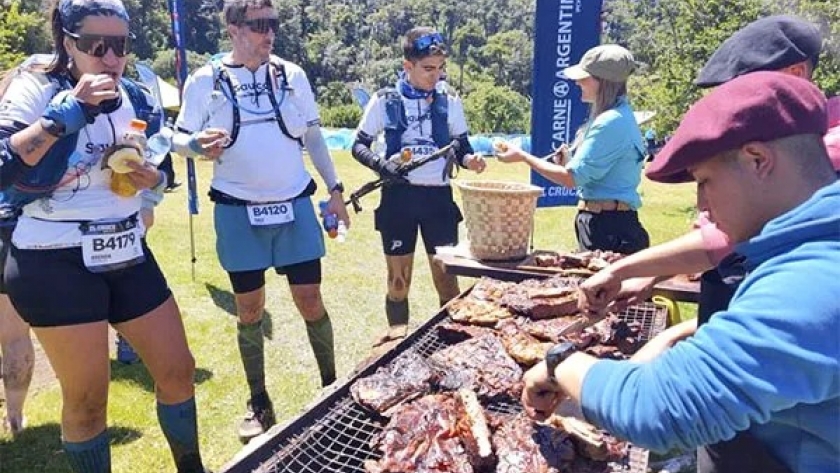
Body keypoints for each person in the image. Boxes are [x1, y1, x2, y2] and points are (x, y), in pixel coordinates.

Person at [524, 72, 840, 473]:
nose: (702, 206)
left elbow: (655, 410)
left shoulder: (815, 280)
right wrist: (680, 331)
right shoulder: (811, 245)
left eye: (705, 182)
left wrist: (558, 362)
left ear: (758, 160)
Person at [0, 0, 208, 471]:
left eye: (120, 46)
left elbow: (156, 156)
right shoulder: (37, 87)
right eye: (97, 46)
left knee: (178, 371)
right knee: (89, 402)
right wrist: (61, 118)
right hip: (54, 259)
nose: (111, 59)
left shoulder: (130, 92)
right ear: (67, 43)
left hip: (126, 247)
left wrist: (153, 178)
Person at [578, 15, 838, 324]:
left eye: (743, 86)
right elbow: (718, 232)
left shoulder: (828, 144)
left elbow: (719, 239)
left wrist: (625, 270)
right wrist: (649, 277)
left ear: (796, 73)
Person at [172, 0, 350, 443]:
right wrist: (195, 145)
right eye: (259, 25)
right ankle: (259, 401)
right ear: (233, 29)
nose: (269, 33)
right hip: (236, 209)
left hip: (294, 205)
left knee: (310, 299)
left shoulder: (292, 75)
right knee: (250, 310)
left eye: (273, 24)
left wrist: (336, 189)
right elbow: (177, 137)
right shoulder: (204, 80)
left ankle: (331, 388)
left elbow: (312, 135)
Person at [350, 27, 486, 346]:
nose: (435, 76)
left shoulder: (449, 99)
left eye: (440, 69)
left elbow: (461, 145)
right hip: (399, 199)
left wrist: (471, 161)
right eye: (428, 69)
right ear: (407, 65)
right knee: (399, 282)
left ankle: (454, 347)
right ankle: (396, 347)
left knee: (447, 281)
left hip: (438, 201)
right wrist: (383, 165)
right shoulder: (385, 100)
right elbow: (359, 145)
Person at [496, 44, 649, 255]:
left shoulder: (609, 121)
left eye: (584, 77)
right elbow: (589, 176)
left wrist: (522, 156)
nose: (577, 83)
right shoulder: (617, 116)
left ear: (602, 82)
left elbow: (571, 178)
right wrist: (569, 161)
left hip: (609, 228)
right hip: (610, 223)